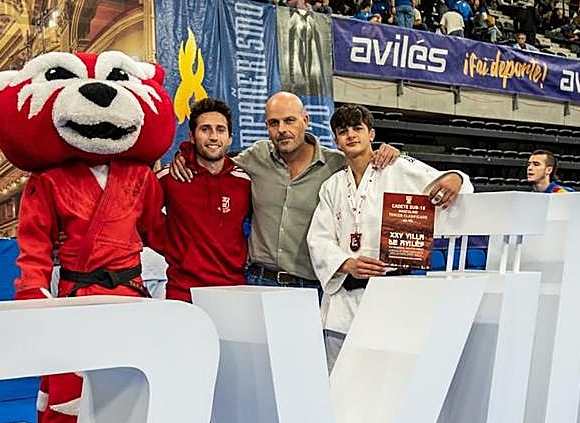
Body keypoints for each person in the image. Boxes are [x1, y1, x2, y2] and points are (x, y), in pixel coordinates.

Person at [168, 93, 400, 291]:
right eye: (274, 123)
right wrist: (185, 155)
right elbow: (214, 162)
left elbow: (375, 167)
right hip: (258, 281)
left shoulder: (336, 164)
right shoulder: (255, 157)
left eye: (290, 121)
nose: (282, 130)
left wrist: (391, 152)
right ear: (266, 127)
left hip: (311, 286)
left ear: (305, 121)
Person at [307, 104, 470, 370]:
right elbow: (319, 238)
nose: (350, 135)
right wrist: (346, 263)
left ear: (371, 134)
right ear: (335, 140)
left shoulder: (398, 168)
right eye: (342, 131)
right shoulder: (332, 186)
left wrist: (456, 177)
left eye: (357, 128)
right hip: (343, 301)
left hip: (390, 296)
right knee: (337, 381)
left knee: (386, 378)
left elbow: (452, 183)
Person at [152, 98, 250, 423]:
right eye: (205, 129)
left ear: (230, 136)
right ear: (191, 135)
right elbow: (143, 225)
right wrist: (175, 252)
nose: (213, 136)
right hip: (184, 297)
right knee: (184, 383)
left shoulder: (245, 179)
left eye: (220, 130)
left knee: (224, 386)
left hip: (233, 298)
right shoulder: (169, 179)